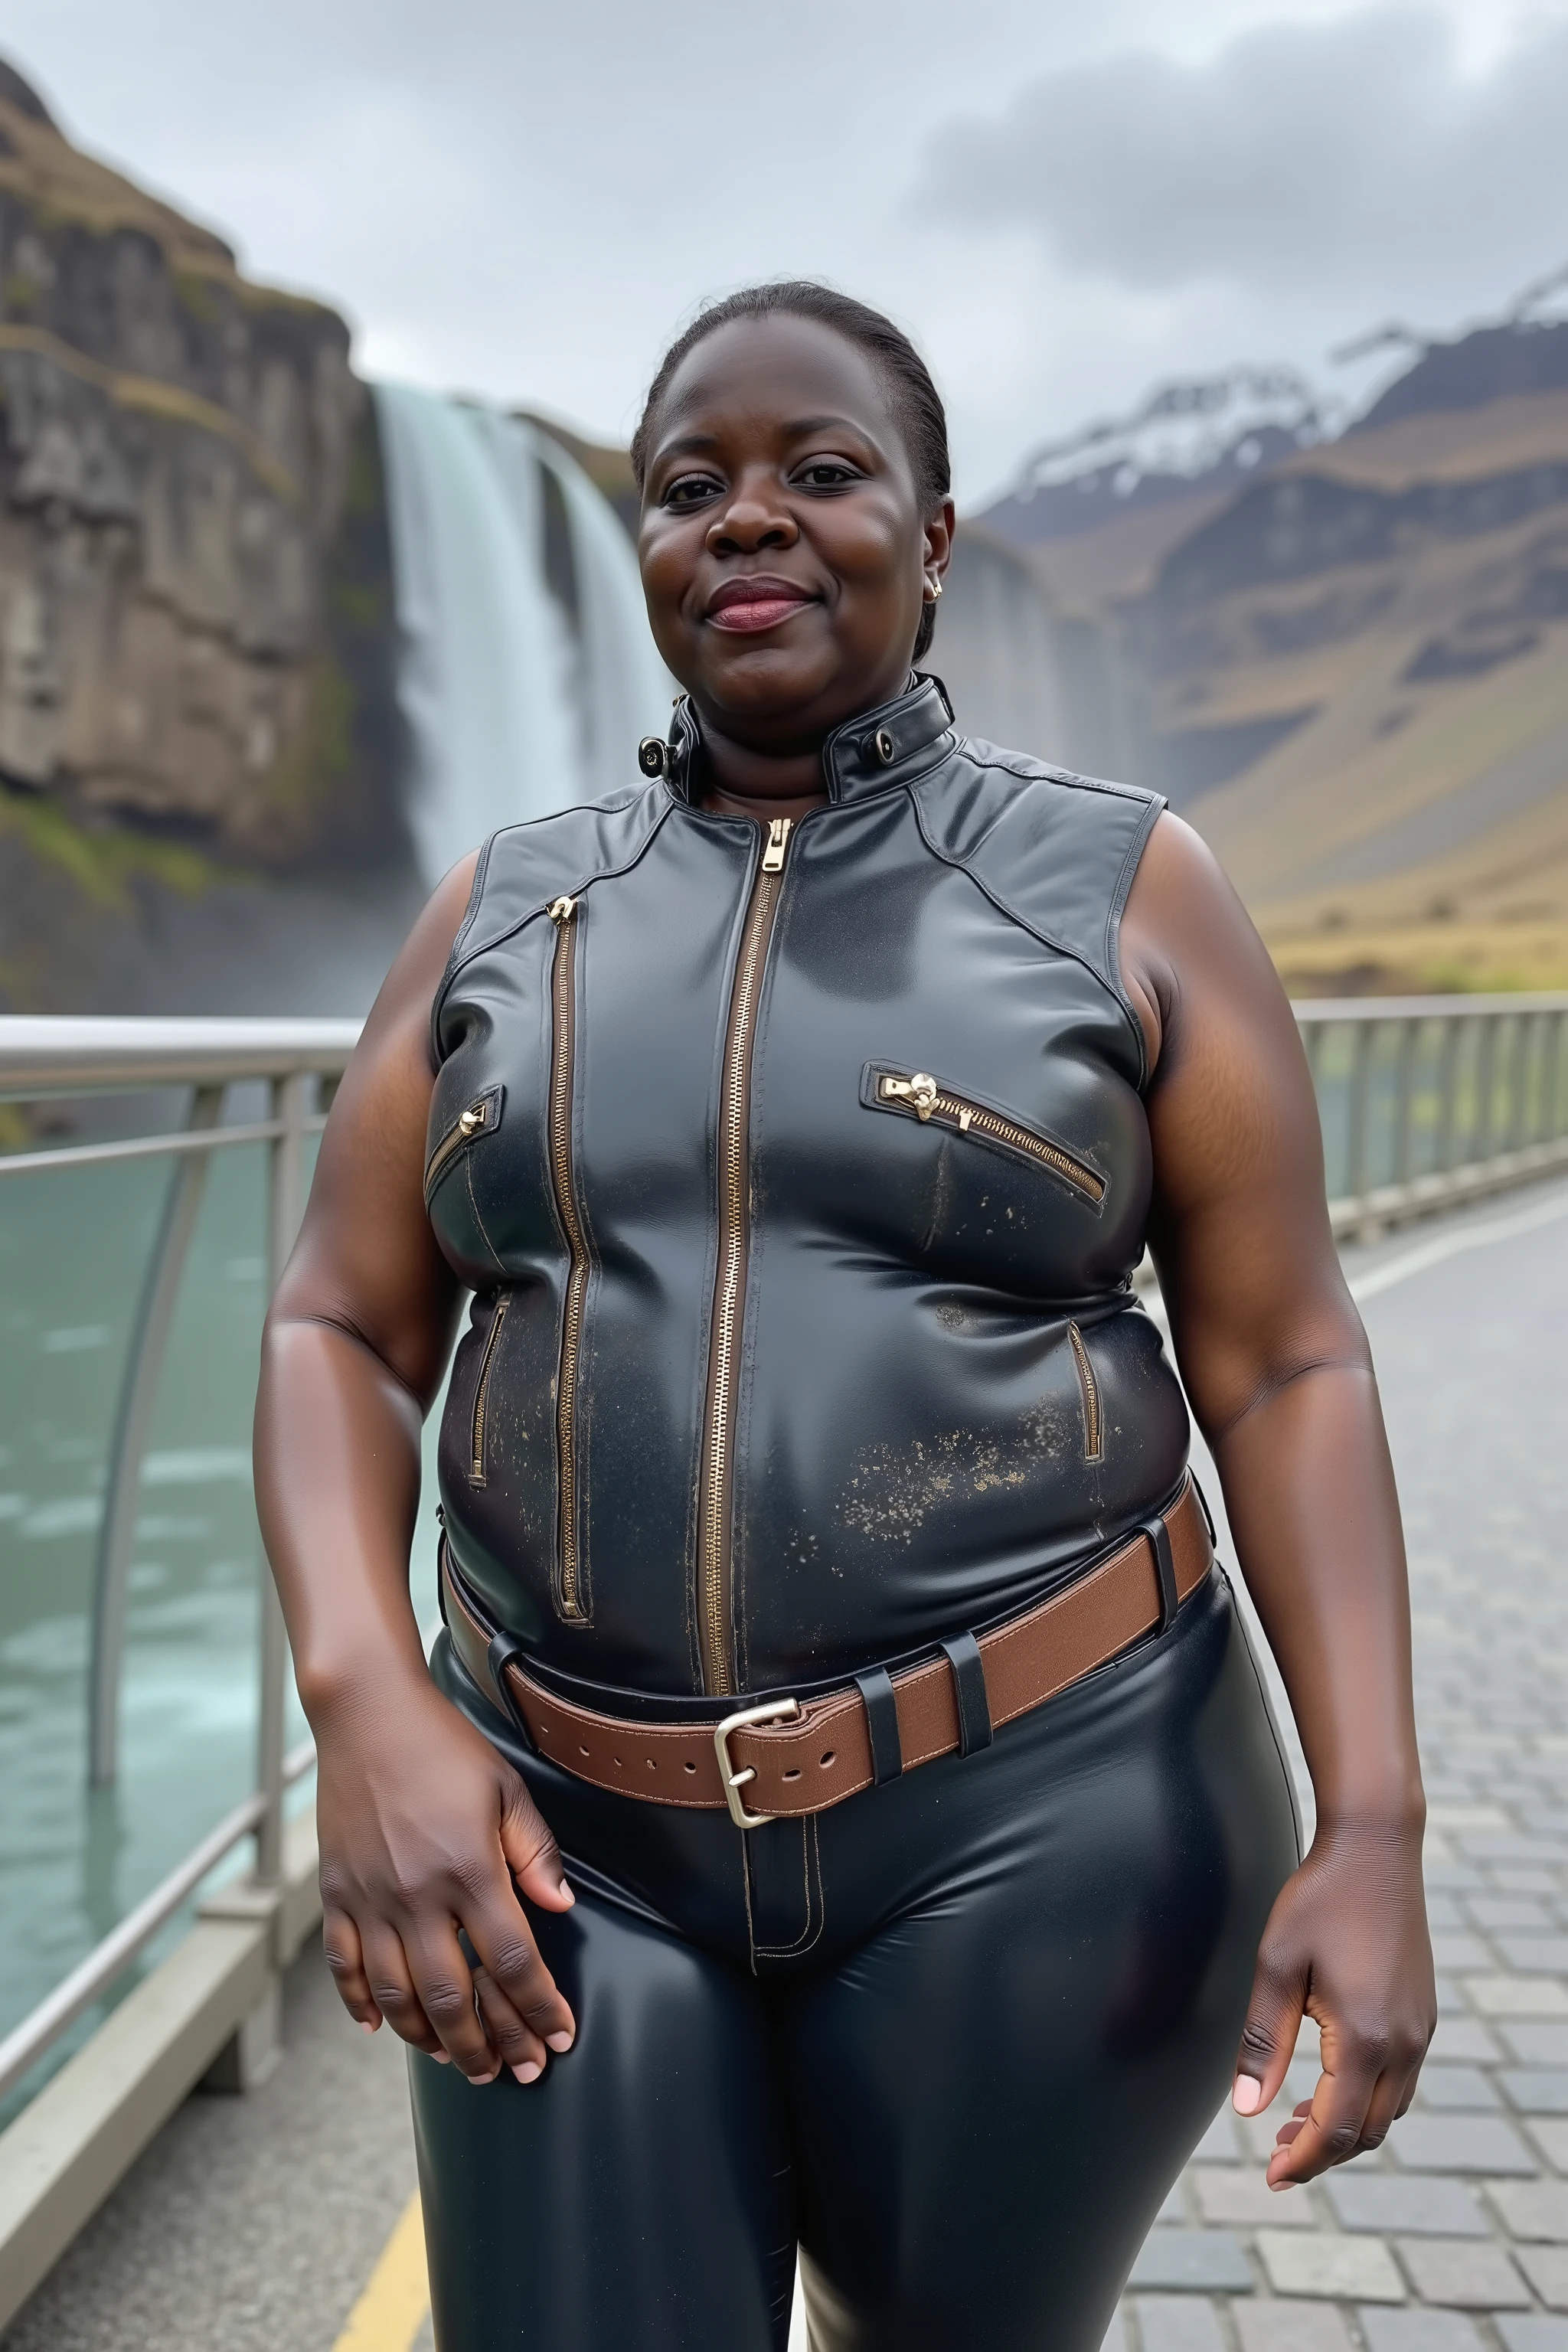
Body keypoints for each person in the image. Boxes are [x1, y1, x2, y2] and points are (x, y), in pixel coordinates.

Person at [253, 283, 1434, 2352]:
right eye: (690, 487)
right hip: (563, 1847)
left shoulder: (1126, 888)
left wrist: (1375, 1831)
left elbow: (1285, 1359)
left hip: (1054, 1825)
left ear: (937, 536)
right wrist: (367, 1705)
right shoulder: (508, 909)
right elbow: (340, 1328)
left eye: (823, 472)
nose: (749, 521)